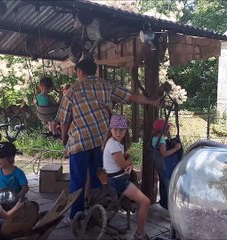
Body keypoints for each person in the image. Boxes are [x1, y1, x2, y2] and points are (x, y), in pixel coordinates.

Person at [56, 58, 160, 221]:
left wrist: (64, 140)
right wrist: (151, 102)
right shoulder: (105, 85)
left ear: (80, 72)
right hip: (101, 142)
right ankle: (97, 209)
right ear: (95, 71)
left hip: (79, 143)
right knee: (100, 177)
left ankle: (76, 214)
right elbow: (131, 96)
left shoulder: (72, 91)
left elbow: (65, 121)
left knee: (78, 180)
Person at [103, 115, 150, 240]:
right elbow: (123, 163)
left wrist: (128, 164)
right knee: (145, 202)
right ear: (111, 129)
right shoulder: (113, 145)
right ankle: (140, 234)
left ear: (125, 131)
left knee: (136, 175)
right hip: (117, 181)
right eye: (115, 129)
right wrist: (129, 162)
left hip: (118, 177)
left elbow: (124, 163)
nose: (118, 132)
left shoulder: (116, 143)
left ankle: (133, 204)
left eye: (121, 130)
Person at [151, 119, 182, 209]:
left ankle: (164, 203)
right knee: (170, 186)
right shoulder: (161, 140)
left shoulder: (154, 139)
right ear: (163, 130)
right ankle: (171, 206)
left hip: (160, 166)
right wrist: (176, 148)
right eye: (167, 129)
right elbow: (164, 153)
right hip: (167, 166)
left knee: (163, 184)